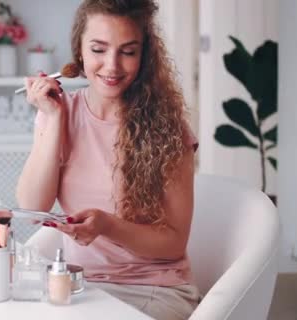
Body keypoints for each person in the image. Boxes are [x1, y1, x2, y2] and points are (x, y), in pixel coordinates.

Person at [15, 0, 200, 319]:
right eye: (99, 49)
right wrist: (54, 118)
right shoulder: (59, 112)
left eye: (128, 52)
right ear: (80, 52)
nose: (112, 66)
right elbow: (32, 208)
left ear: (144, 57)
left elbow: (173, 243)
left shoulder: (167, 128)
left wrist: (108, 226)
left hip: (154, 290)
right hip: (84, 289)